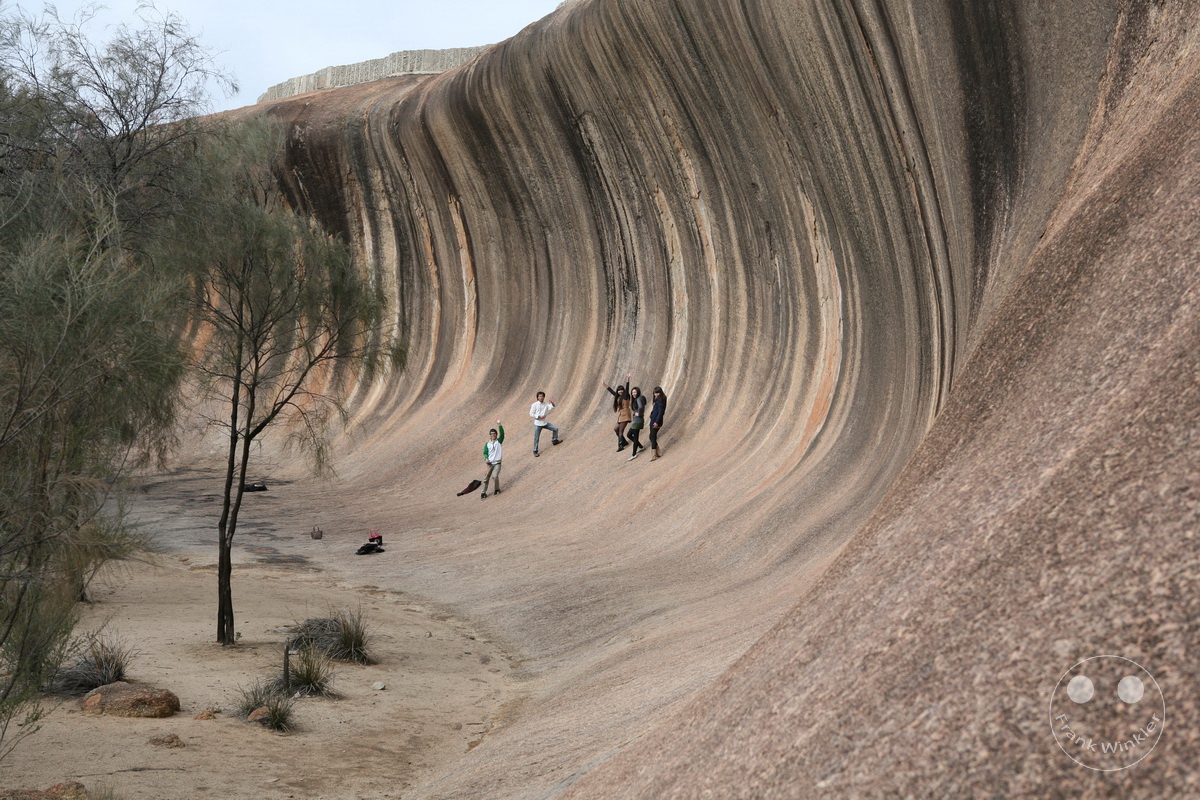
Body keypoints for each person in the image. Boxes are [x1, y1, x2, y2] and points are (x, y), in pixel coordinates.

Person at [602, 372, 633, 452]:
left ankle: (620, 446)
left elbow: (627, 387)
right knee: (616, 429)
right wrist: (604, 384)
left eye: (622, 390)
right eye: (619, 391)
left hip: (626, 414)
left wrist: (628, 379)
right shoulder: (618, 397)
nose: (620, 392)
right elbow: (611, 391)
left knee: (620, 431)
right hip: (621, 415)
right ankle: (624, 442)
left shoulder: (626, 396)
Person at [529, 391, 562, 456]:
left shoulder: (545, 404)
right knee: (536, 438)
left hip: (544, 423)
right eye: (540, 396)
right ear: (537, 397)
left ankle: (554, 440)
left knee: (555, 428)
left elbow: (551, 407)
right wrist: (538, 416)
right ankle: (535, 451)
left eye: (542, 396)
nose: (541, 397)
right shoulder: (534, 405)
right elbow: (531, 413)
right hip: (537, 424)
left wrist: (552, 403)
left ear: (544, 397)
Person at [481, 420, 503, 499]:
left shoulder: (499, 441)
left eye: (494, 434)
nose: (493, 435)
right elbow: (485, 452)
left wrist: (499, 424)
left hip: (497, 463)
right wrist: (486, 458)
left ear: (496, 435)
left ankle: (497, 489)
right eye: (492, 434)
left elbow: (502, 434)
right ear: (489, 435)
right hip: (489, 463)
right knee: (486, 478)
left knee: (495, 476)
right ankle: (483, 493)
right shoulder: (487, 444)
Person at [627, 386, 647, 460]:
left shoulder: (638, 399)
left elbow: (641, 407)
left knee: (635, 437)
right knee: (629, 435)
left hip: (638, 421)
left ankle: (634, 454)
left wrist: (639, 414)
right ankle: (641, 447)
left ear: (638, 392)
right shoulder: (638, 398)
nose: (633, 394)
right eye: (632, 392)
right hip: (636, 421)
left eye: (635, 392)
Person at [648, 386, 667, 460]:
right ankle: (658, 453)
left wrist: (656, 422)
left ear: (660, 393)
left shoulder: (660, 400)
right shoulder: (658, 399)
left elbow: (661, 412)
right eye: (655, 393)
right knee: (651, 436)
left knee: (652, 437)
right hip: (654, 419)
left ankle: (654, 455)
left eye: (658, 393)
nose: (656, 394)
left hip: (656, 421)